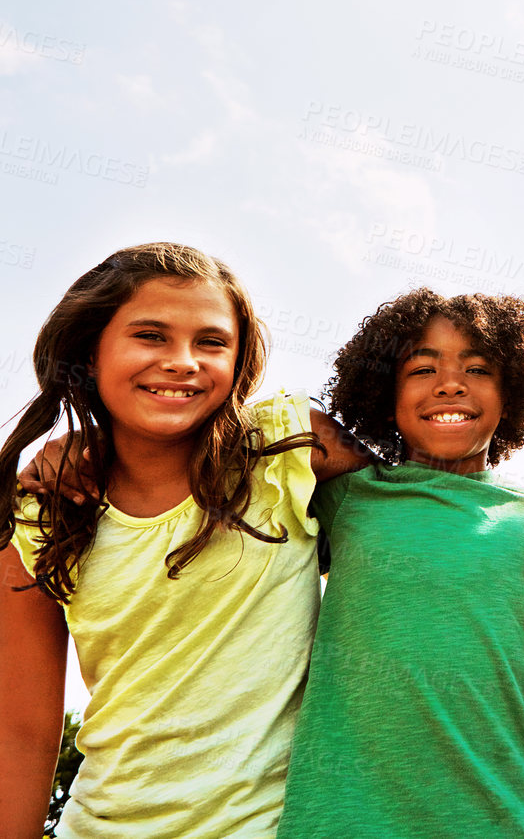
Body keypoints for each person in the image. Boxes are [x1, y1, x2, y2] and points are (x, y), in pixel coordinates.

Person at [0, 242, 370, 839]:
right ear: (91, 354)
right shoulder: (39, 514)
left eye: (211, 342)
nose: (182, 361)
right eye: (150, 336)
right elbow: (20, 731)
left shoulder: (285, 448)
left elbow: (420, 511)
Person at [277, 288, 524, 839]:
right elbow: (275, 423)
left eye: (477, 368)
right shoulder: (351, 496)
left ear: (511, 395)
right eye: (421, 368)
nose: (450, 383)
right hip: (343, 819)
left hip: (505, 818)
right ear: (385, 394)